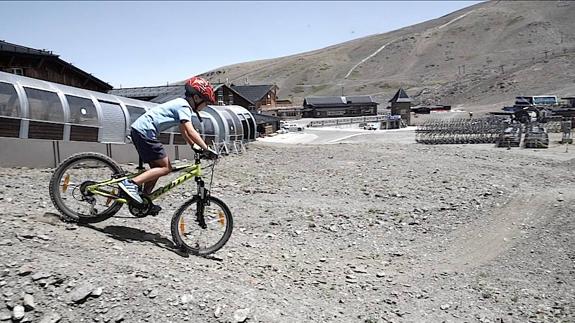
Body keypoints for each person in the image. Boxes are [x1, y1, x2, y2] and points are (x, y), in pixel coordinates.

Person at [119, 76, 218, 208]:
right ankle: (130, 184)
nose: (205, 107)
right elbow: (191, 130)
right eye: (206, 103)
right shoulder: (184, 106)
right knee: (166, 168)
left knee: (157, 168)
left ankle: (143, 200)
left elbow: (183, 130)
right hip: (145, 132)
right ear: (196, 98)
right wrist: (206, 149)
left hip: (141, 131)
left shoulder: (181, 104)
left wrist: (193, 146)